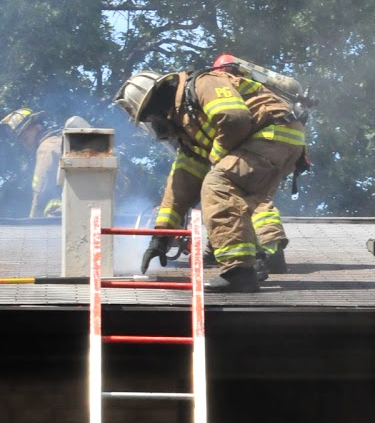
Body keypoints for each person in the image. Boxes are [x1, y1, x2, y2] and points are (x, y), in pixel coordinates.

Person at [113, 64, 305, 293]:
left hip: (273, 133)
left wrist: (215, 156)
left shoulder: (203, 84)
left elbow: (234, 119)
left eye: (150, 115)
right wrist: (161, 237)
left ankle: (239, 273)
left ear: (157, 101)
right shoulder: (187, 127)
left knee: (218, 185)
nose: (153, 122)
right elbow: (181, 187)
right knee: (235, 198)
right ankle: (254, 263)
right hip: (271, 140)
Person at [0, 108, 64, 218]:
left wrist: (33, 222)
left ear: (38, 127)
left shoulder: (46, 148)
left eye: (25, 137)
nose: (25, 144)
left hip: (62, 215)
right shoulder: (58, 142)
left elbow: (40, 190)